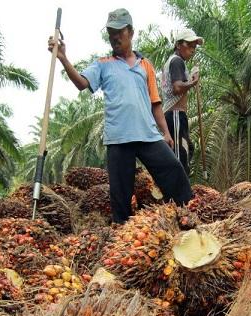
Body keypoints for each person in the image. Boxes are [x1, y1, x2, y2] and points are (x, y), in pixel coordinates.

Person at [48, 8, 192, 224]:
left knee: (174, 172)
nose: (114, 37)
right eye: (110, 32)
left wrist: (165, 132)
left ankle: (189, 218)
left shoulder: (146, 65)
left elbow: (155, 103)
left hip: (148, 136)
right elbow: (81, 83)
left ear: (130, 32)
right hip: (119, 139)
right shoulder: (103, 64)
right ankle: (122, 238)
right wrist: (62, 57)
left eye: (119, 31)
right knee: (120, 196)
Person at [161, 28, 203, 175]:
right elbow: (178, 87)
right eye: (189, 45)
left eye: (194, 47)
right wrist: (193, 82)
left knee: (187, 149)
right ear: (179, 45)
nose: (192, 50)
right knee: (180, 155)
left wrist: (190, 80)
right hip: (175, 115)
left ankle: (177, 183)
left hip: (175, 115)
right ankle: (177, 194)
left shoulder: (177, 62)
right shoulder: (176, 61)